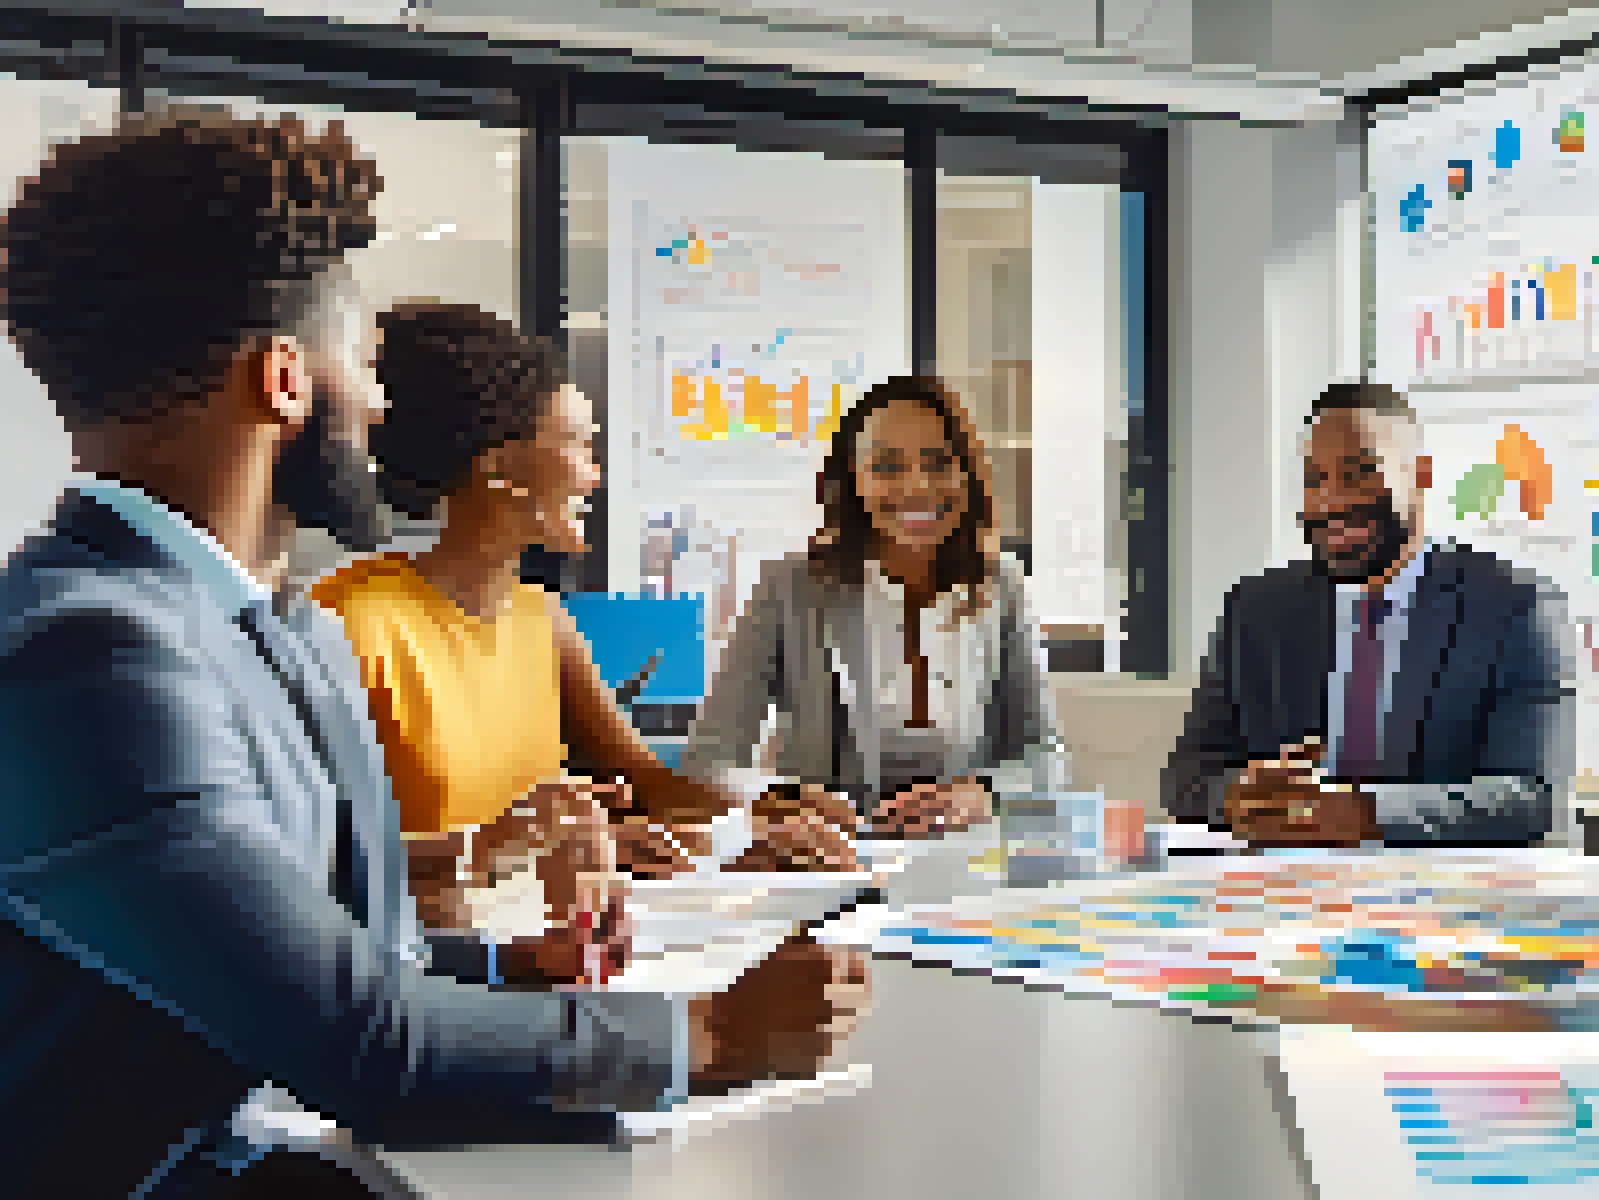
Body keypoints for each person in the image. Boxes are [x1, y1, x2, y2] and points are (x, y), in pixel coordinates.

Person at [0, 107, 848, 1199]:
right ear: (286, 382)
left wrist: (508, 965)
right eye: (364, 363)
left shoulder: (276, 626)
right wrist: (713, 1037)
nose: (382, 402)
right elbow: (366, 1046)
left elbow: (338, 954)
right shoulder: (86, 656)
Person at [313, 303, 853, 933]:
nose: (594, 475)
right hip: (432, 969)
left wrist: (768, 808)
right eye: (579, 445)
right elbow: (320, 854)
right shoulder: (346, 623)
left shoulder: (542, 619)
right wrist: (524, 859)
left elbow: (642, 782)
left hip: (557, 950)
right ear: (500, 467)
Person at [1163, 382, 1573, 847]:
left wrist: (1364, 812)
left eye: (1360, 473)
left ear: (1421, 475)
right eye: (1314, 480)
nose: (1332, 502)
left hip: (1443, 900)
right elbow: (1186, 778)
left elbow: (1532, 799)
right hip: (1282, 894)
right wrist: (1237, 796)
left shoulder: (1512, 607)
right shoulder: (1258, 609)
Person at [684, 375, 1066, 837]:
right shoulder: (789, 587)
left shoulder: (999, 586)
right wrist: (778, 798)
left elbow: (1045, 761)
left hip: (964, 865)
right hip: (827, 861)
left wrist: (985, 792)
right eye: (886, 466)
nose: (917, 486)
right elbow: (708, 761)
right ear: (853, 481)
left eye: (939, 463)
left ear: (967, 475)